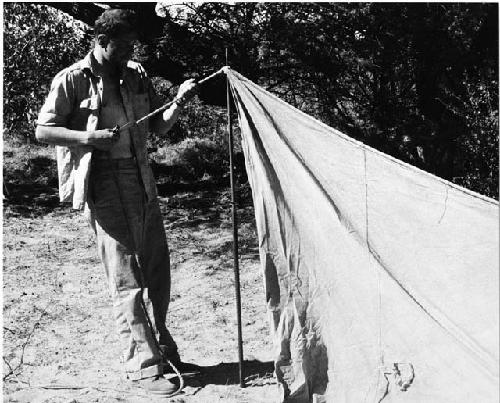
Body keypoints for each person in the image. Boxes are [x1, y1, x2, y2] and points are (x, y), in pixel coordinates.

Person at [36, 8, 197, 397]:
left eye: (132, 45)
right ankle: (143, 368)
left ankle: (161, 351)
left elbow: (157, 125)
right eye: (122, 46)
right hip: (104, 181)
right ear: (101, 41)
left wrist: (179, 100)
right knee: (127, 278)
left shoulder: (137, 74)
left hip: (142, 177)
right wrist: (89, 139)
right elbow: (44, 130)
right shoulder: (72, 79)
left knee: (157, 269)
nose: (129, 52)